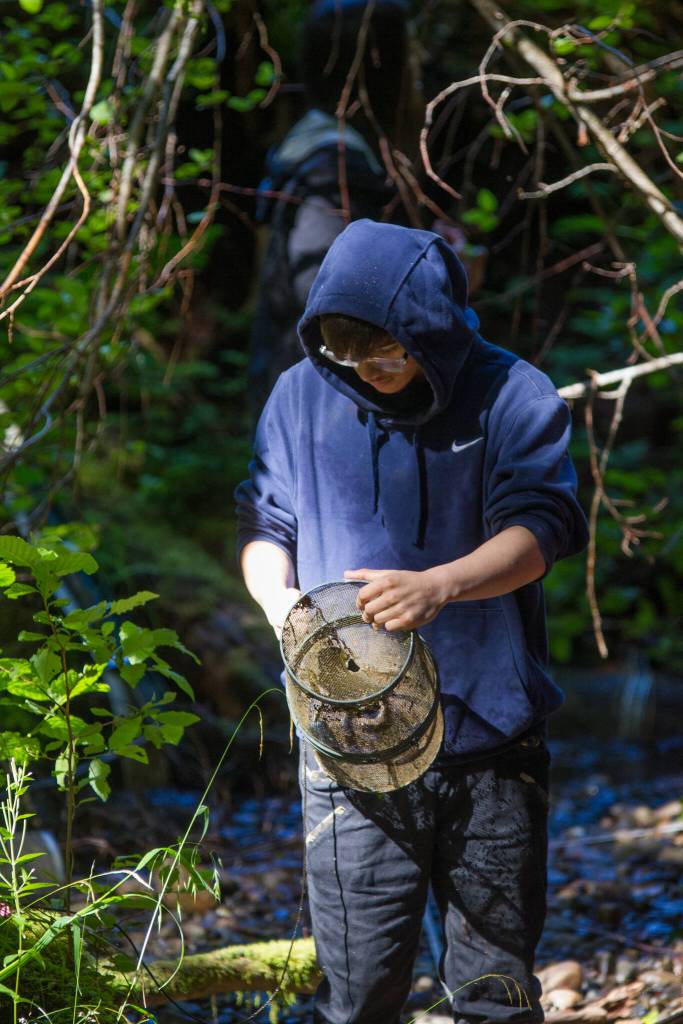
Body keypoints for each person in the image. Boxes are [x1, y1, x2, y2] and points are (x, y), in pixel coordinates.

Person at [235, 219, 588, 1024]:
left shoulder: (513, 394)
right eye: (351, 357)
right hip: (349, 746)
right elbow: (264, 522)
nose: (369, 372)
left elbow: (544, 527)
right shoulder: (301, 395)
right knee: (358, 993)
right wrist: (281, 606)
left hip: (491, 735)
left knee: (492, 993)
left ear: (427, 328)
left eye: (388, 354)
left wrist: (442, 586)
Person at [248, 0, 414, 422]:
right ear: (379, 68)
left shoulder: (314, 147)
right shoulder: (334, 166)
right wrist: (447, 282)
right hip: (328, 422)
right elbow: (336, 309)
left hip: (310, 412)